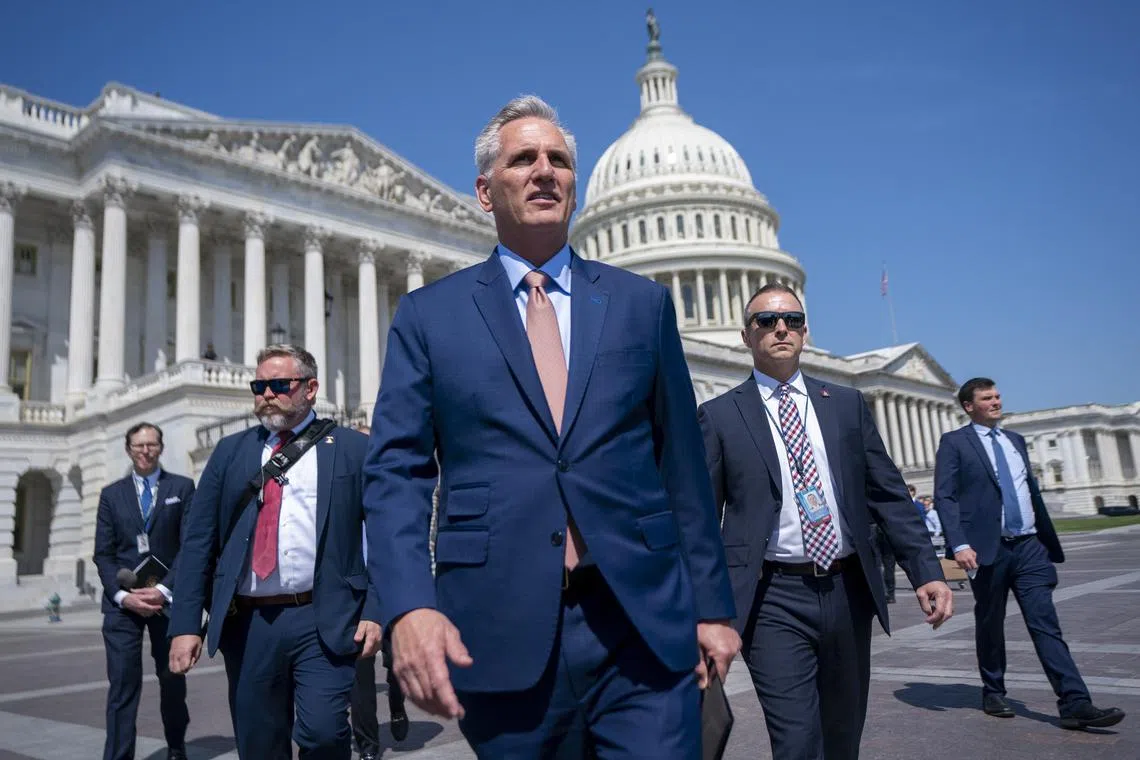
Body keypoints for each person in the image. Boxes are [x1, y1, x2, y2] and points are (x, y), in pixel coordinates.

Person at [363, 95, 739, 758]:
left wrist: (712, 607)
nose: (545, 171)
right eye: (524, 159)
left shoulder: (641, 306)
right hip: (499, 623)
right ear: (485, 191)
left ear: (575, 182)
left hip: (640, 621)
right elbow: (396, 473)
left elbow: (682, 468)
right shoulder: (429, 316)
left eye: (559, 159)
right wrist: (408, 605)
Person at [698, 283, 953, 760]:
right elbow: (700, 520)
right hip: (772, 595)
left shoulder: (846, 405)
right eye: (767, 321)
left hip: (846, 589)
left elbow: (889, 495)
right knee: (796, 741)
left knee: (842, 735)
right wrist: (702, 611)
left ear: (805, 332)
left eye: (792, 321)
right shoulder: (719, 415)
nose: (781, 330)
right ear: (746, 335)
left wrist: (927, 570)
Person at [168, 344, 382, 759]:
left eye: (279, 384)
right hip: (248, 621)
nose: (267, 393)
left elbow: (385, 536)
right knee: (260, 744)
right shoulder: (230, 452)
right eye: (259, 385)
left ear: (311, 388)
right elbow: (199, 541)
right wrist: (185, 624)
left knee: (323, 733)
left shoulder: (353, 449)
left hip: (323, 616)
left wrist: (377, 609)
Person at [934, 377, 1125, 730]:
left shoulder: (1015, 441)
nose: (996, 402)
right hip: (985, 550)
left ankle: (1074, 702)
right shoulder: (955, 442)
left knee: (1045, 623)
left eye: (998, 396)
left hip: (1028, 547)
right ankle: (993, 690)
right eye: (987, 398)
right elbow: (944, 496)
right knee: (990, 622)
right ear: (968, 406)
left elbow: (1029, 492)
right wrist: (958, 544)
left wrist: (1042, 537)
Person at [93, 422, 194, 760]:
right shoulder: (111, 494)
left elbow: (190, 546)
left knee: (172, 681)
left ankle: (177, 748)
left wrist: (164, 590)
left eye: (151, 444)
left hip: (165, 601)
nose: (145, 451)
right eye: (139, 446)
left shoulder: (181, 487)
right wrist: (123, 596)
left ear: (161, 448)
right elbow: (103, 554)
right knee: (122, 686)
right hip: (123, 606)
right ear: (128, 450)